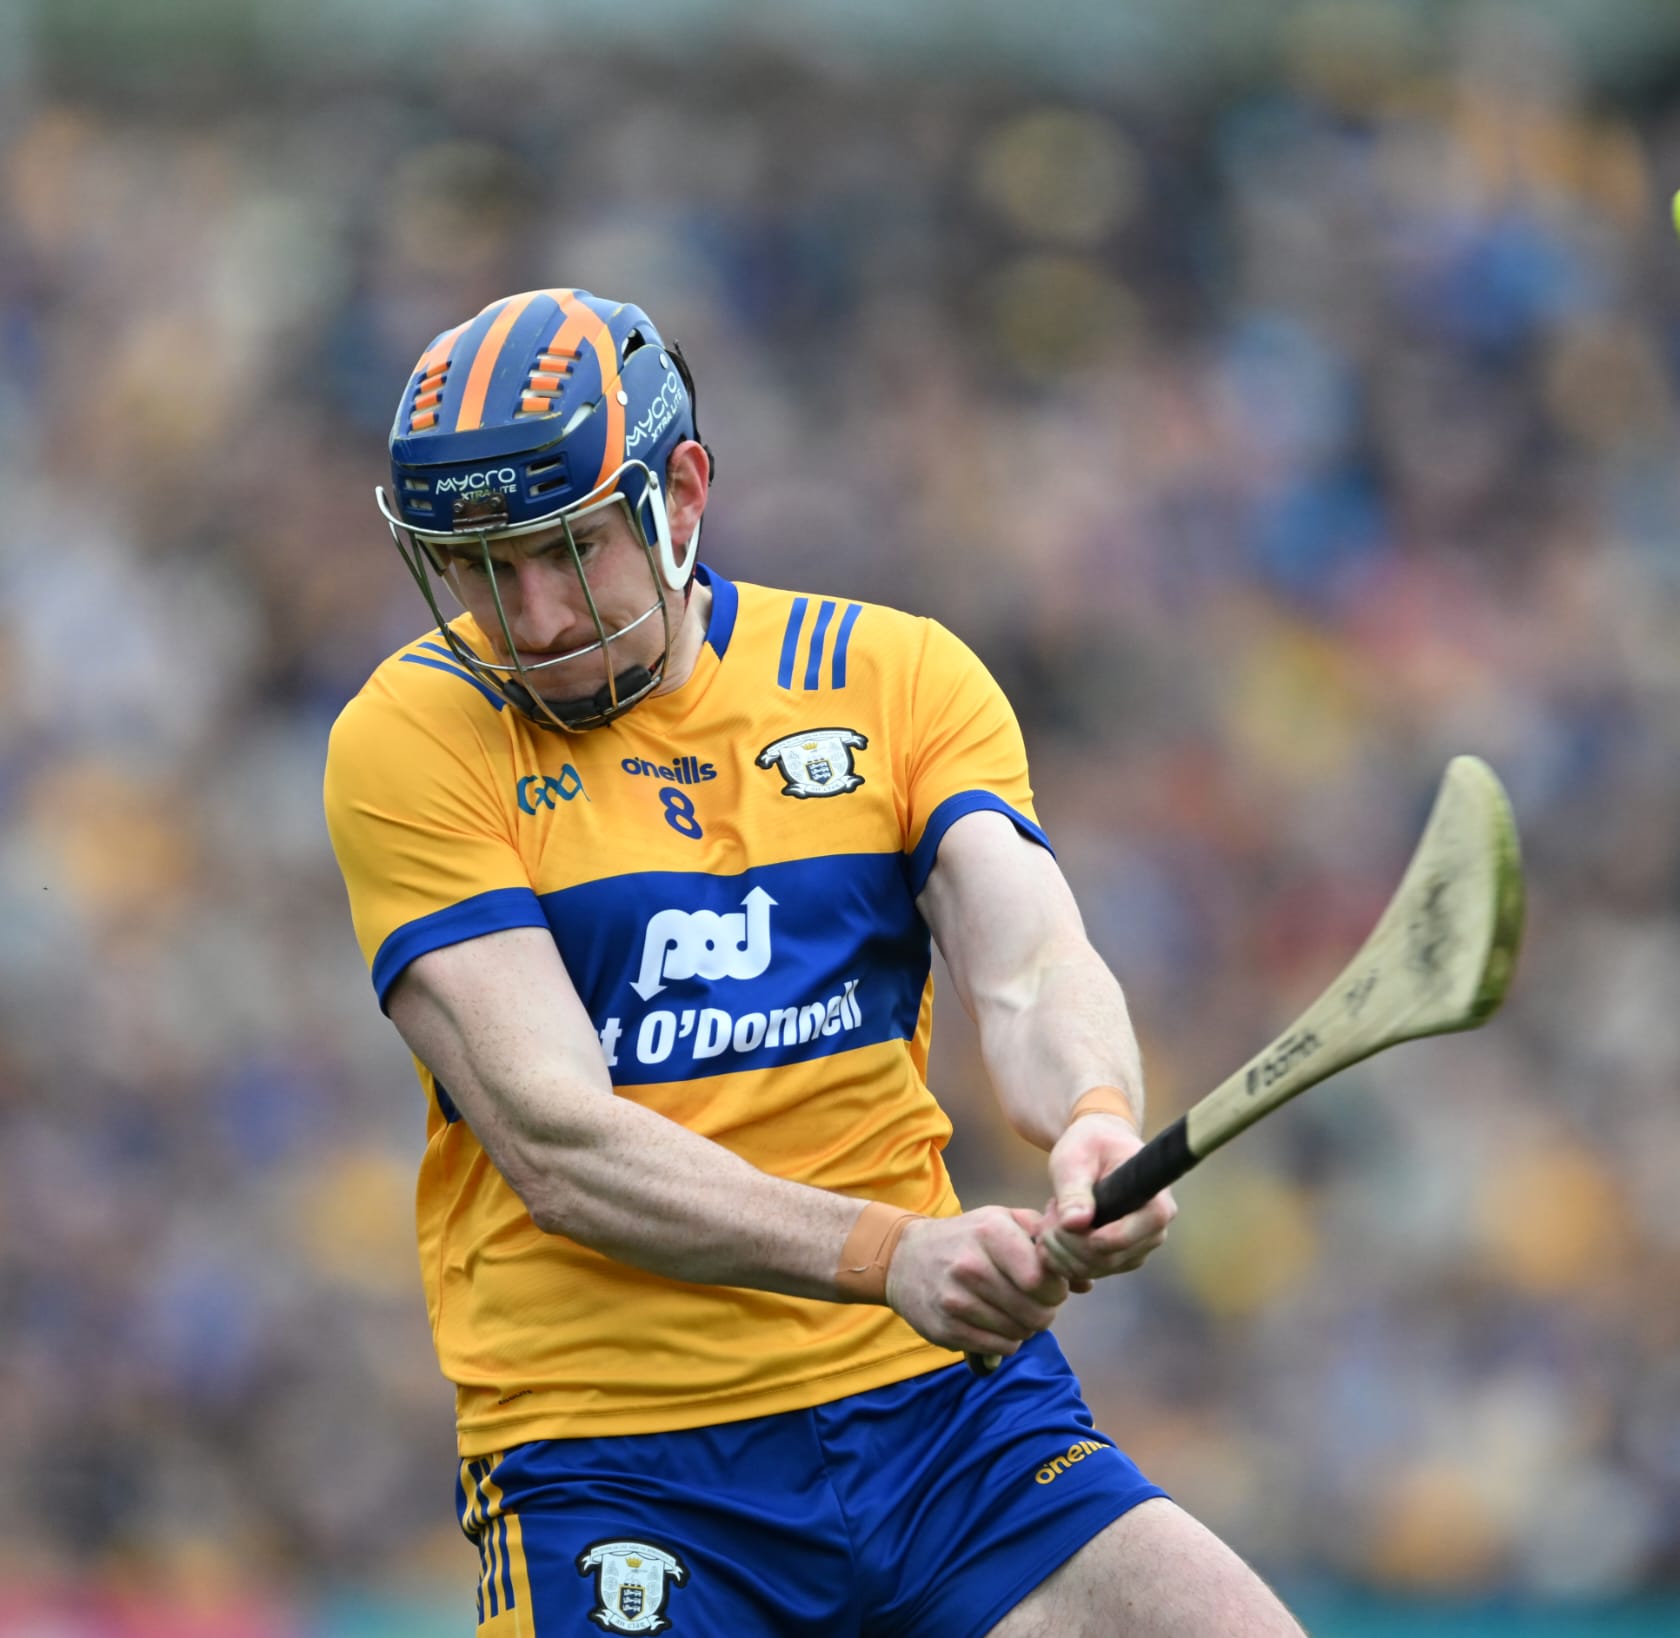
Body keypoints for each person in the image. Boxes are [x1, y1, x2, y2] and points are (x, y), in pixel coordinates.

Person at [324, 288, 1303, 1637]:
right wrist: (889, 1253)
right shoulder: (414, 735)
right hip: (617, 1460)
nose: (533, 617)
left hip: (947, 1422)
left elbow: (1028, 959)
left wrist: (1092, 1113)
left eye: (569, 549)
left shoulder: (891, 675)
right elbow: (558, 1144)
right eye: (481, 566)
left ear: (681, 491)